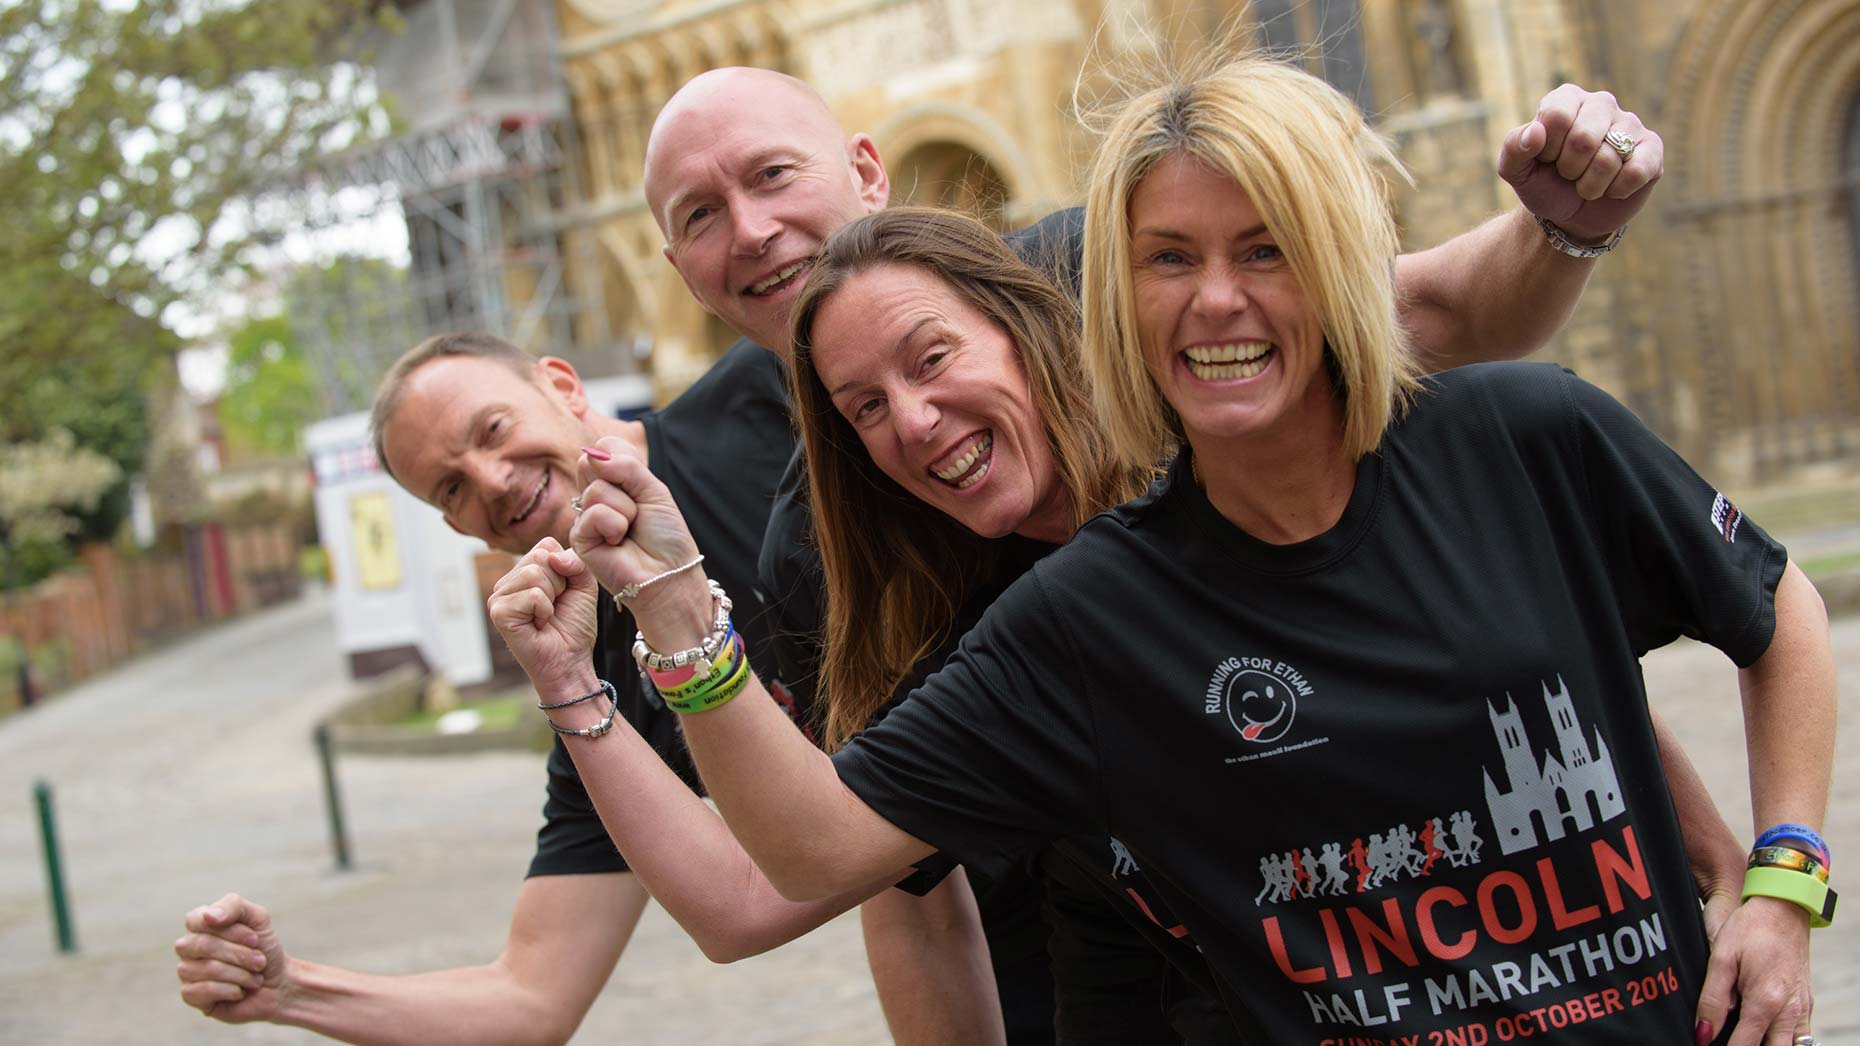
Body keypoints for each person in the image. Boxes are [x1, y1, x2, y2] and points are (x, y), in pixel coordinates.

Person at [181, 62, 1698, 1043]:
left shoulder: (1088, 279)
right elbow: (838, 885)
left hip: (1485, 939)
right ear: (677, 268)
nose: (751, 229)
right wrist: (603, 654)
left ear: (867, 171)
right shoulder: (771, 545)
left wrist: (1560, 230)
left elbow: (1427, 366)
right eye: (699, 215)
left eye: (771, 178)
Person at [552, 55, 1833, 1045]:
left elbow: (1536, 618)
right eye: (863, 407)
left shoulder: (1499, 428)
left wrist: (1770, 866)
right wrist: (657, 610)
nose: (1214, 300)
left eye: (933, 360)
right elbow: (842, 868)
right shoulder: (1033, 600)